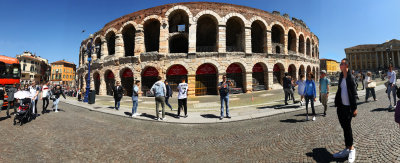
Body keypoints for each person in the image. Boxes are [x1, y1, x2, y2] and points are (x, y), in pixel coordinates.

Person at [333, 58, 358, 163]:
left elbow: (354, 93)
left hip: (348, 107)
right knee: (344, 127)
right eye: (340, 64)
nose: (340, 65)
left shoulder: (351, 78)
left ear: (347, 65)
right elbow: (340, 89)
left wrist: (355, 108)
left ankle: (351, 149)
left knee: (347, 128)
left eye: (342, 64)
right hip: (341, 106)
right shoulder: (340, 76)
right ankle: (347, 148)